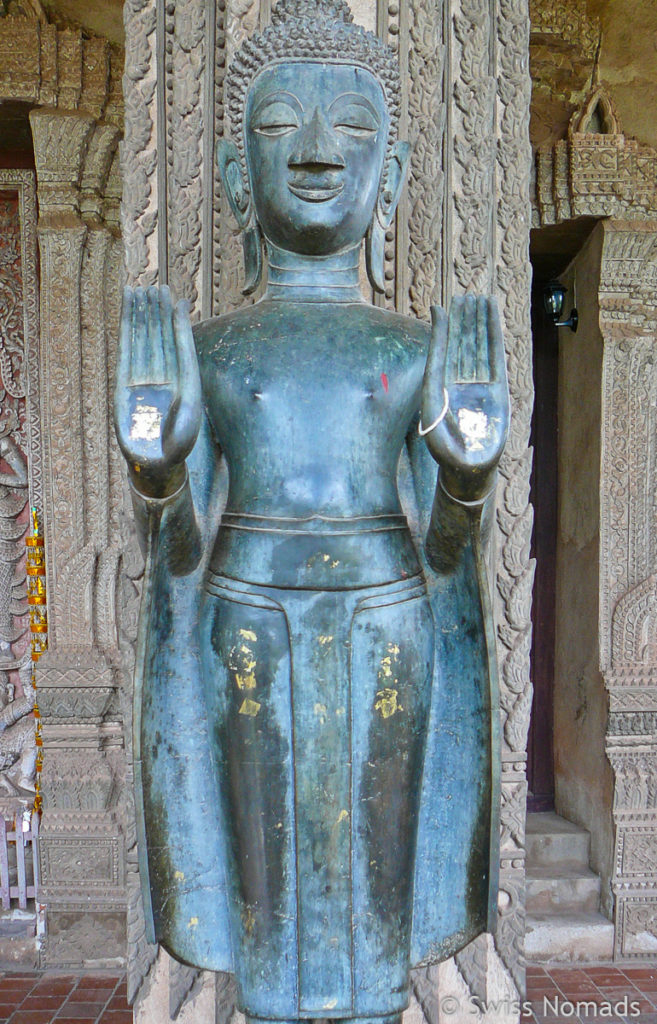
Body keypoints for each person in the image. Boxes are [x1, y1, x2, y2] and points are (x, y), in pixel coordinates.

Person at [114, 2, 510, 1021]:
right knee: (264, 874)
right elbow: (183, 554)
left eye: (355, 128)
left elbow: (446, 556)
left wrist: (465, 481)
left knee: (376, 867)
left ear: (400, 169)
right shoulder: (209, 346)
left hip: (390, 631)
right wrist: (159, 475)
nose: (322, 151)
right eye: (284, 125)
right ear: (239, 172)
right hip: (243, 630)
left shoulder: (419, 344)